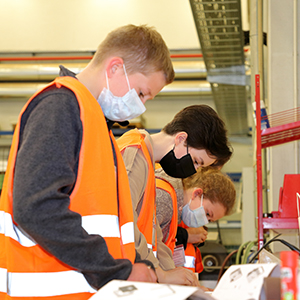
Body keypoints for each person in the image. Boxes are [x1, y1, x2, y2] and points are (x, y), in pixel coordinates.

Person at [0, 24, 175, 299]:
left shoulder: (95, 124)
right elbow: (36, 207)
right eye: (141, 93)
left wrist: (130, 266)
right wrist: (116, 272)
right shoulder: (61, 106)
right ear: (115, 67)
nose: (141, 106)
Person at [117, 104, 232, 287]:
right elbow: (123, 222)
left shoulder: (148, 164)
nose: (193, 170)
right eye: (196, 161)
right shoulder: (135, 155)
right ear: (180, 138)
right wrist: (160, 274)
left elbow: (153, 236)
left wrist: (170, 272)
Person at [155, 166, 236, 273]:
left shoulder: (176, 211)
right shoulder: (164, 200)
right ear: (197, 193)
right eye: (207, 213)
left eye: (210, 220)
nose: (204, 221)